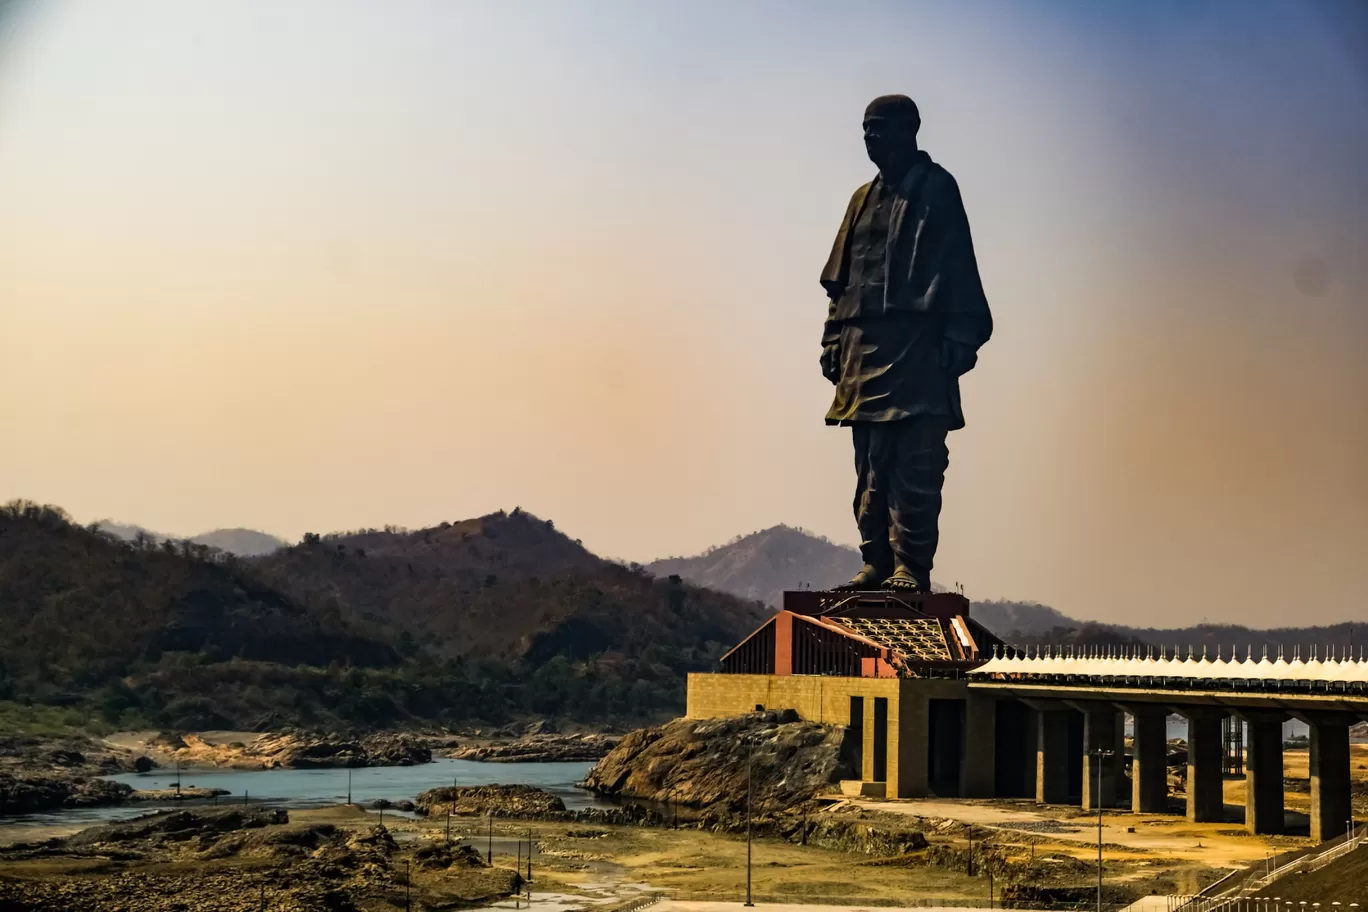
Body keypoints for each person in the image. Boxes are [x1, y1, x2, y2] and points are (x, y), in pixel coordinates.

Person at [819, 94, 993, 592]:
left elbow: (958, 265)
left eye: (879, 127)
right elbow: (841, 281)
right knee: (869, 464)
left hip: (916, 346)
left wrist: (959, 336)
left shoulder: (937, 188)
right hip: (862, 347)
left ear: (909, 129)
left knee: (915, 461)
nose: (870, 137)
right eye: (865, 129)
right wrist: (833, 339)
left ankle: (909, 567)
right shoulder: (860, 199)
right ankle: (874, 559)